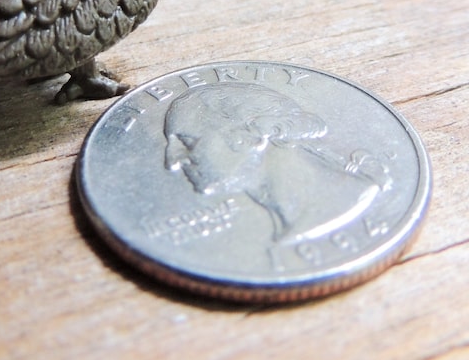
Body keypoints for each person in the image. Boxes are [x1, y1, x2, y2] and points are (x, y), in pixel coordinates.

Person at [163, 82, 389, 245]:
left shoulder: (349, 200)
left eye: (186, 141)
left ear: (246, 136)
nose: (173, 161)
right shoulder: (280, 230)